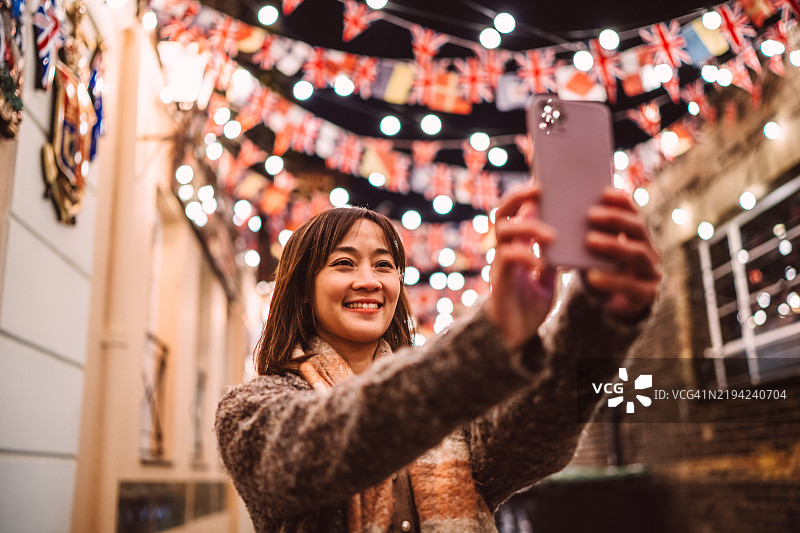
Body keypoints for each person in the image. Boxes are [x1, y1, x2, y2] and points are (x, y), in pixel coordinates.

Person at [215, 184, 662, 533]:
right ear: (302, 287)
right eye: (344, 264)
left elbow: (536, 431)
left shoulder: (452, 406)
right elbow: (326, 442)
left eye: (384, 265)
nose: (369, 281)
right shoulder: (249, 412)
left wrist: (598, 317)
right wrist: (492, 333)